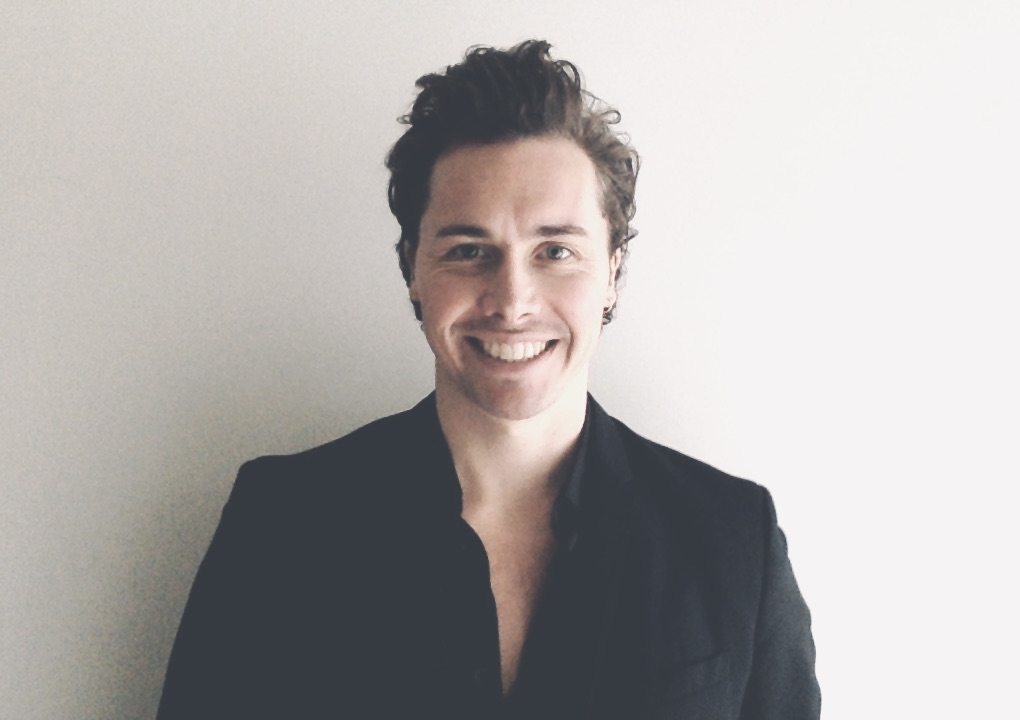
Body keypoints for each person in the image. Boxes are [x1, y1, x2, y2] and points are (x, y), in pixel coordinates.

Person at [157, 40, 820, 719]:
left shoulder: (733, 539)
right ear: (413, 268)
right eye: (469, 251)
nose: (512, 301)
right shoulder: (279, 525)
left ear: (612, 273)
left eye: (555, 251)